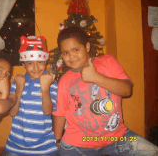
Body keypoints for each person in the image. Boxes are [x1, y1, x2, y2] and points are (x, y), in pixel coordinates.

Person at [53, 26, 158, 156]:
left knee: (152, 152)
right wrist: (57, 139)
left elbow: (127, 90)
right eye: (65, 52)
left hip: (117, 138)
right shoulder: (64, 80)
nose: (71, 56)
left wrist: (96, 78)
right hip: (78, 143)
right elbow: (60, 113)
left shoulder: (108, 62)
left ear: (87, 47)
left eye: (75, 49)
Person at [2, 36, 59, 156]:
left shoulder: (51, 83)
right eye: (30, 63)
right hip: (15, 145)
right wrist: (19, 87)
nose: (36, 67)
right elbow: (12, 113)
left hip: (44, 146)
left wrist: (45, 88)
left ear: (46, 62)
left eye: (40, 62)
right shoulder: (17, 82)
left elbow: (48, 111)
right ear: (23, 64)